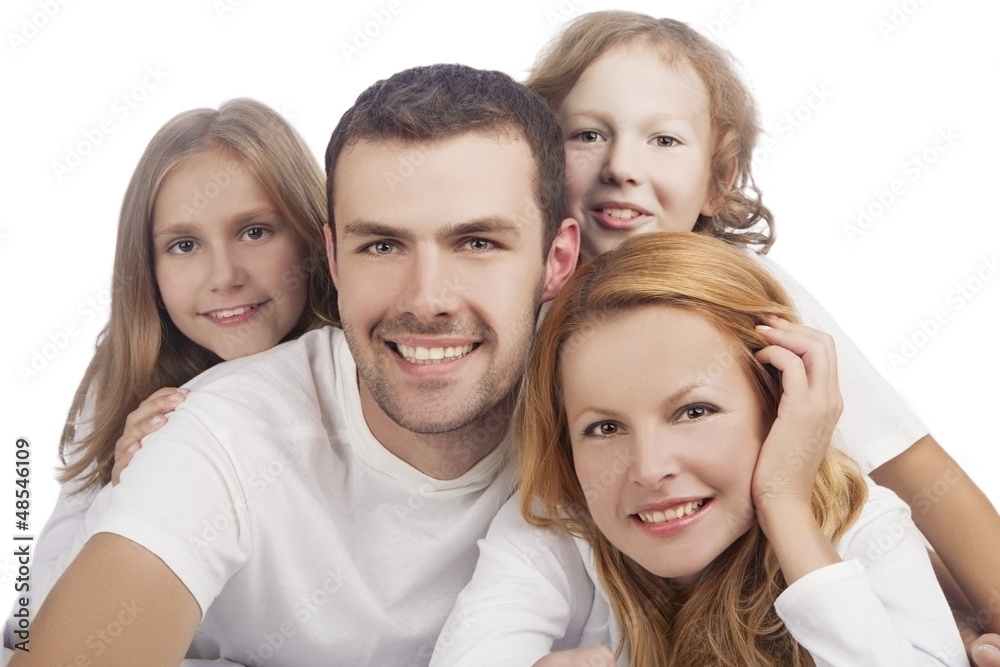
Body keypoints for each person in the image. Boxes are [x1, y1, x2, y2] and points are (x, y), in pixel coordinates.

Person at [9, 64, 579, 666]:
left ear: (558, 259)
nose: (425, 299)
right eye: (381, 246)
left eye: (478, 243)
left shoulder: (609, 410)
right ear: (334, 258)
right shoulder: (208, 424)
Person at [524, 10, 1000, 663]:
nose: (621, 166)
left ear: (719, 180)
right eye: (586, 134)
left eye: (664, 140)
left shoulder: (749, 297)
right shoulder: (520, 294)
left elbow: (905, 463)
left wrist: (989, 606)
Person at [433, 232, 968, 666]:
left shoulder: (859, 521)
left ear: (777, 402)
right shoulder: (556, 528)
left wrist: (785, 505)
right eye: (604, 428)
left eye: (694, 412)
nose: (649, 469)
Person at [5, 97, 337, 658]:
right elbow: (33, 622)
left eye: (255, 232)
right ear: (150, 270)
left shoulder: (361, 373)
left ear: (311, 236)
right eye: (184, 245)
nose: (224, 276)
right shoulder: (123, 376)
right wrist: (123, 488)